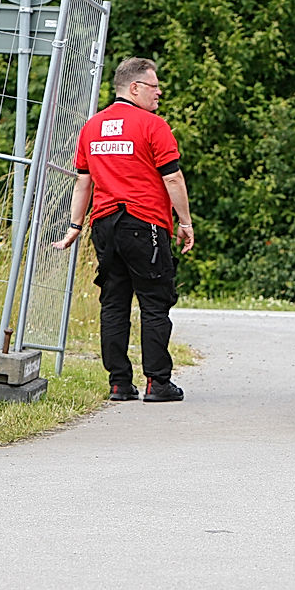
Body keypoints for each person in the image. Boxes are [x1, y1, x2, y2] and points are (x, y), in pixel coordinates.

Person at [52, 57, 195, 402]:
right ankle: (158, 383)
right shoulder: (152, 125)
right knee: (154, 302)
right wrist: (185, 222)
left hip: (104, 225)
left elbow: (83, 183)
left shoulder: (92, 127)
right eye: (154, 86)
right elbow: (172, 177)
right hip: (144, 222)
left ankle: (119, 383)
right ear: (134, 88)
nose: (159, 92)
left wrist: (75, 225)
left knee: (114, 302)